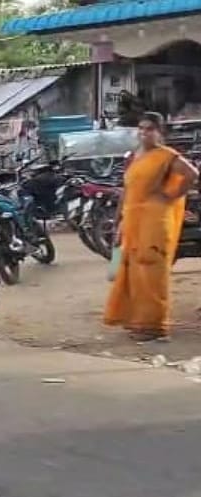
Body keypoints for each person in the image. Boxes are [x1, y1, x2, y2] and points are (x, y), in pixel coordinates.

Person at [104, 111, 199, 342]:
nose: (144, 133)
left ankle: (154, 326)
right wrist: (118, 221)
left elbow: (192, 174)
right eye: (141, 128)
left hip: (155, 220)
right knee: (132, 271)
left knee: (151, 272)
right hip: (133, 219)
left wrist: (169, 195)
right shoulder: (136, 156)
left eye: (150, 129)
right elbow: (126, 191)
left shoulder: (167, 156)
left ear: (160, 132)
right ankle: (136, 320)